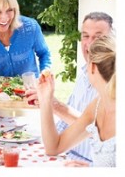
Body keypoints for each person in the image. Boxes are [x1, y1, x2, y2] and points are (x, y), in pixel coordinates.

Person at [26, 12, 114, 163]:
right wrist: (46, 99)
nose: (90, 44)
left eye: (98, 38)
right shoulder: (96, 101)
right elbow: (54, 147)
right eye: (85, 36)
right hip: (67, 157)